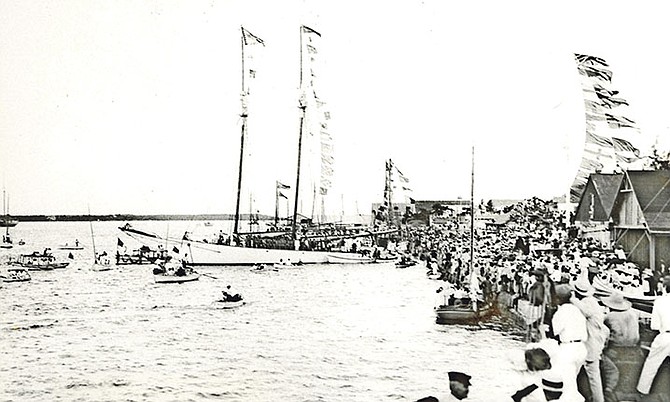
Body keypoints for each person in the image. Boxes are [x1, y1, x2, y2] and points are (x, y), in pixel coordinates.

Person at [571, 281, 608, 402]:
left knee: (581, 373)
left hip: (590, 344)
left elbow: (586, 312)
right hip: (593, 341)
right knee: (592, 375)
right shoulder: (592, 301)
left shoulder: (587, 303)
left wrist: (572, 299)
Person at [551, 284, 588, 400]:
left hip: (569, 349)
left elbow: (555, 331)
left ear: (558, 299)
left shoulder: (561, 312)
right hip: (581, 348)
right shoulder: (577, 310)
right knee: (572, 380)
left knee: (567, 384)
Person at [601, 292, 639, 401]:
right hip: (633, 346)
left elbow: (604, 332)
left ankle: (608, 389)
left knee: (601, 357)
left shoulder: (609, 316)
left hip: (616, 347)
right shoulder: (633, 314)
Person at [636, 274, 670, 395]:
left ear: (665, 287)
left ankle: (642, 391)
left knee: (651, 363)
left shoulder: (660, 301)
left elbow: (654, 326)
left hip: (665, 336)